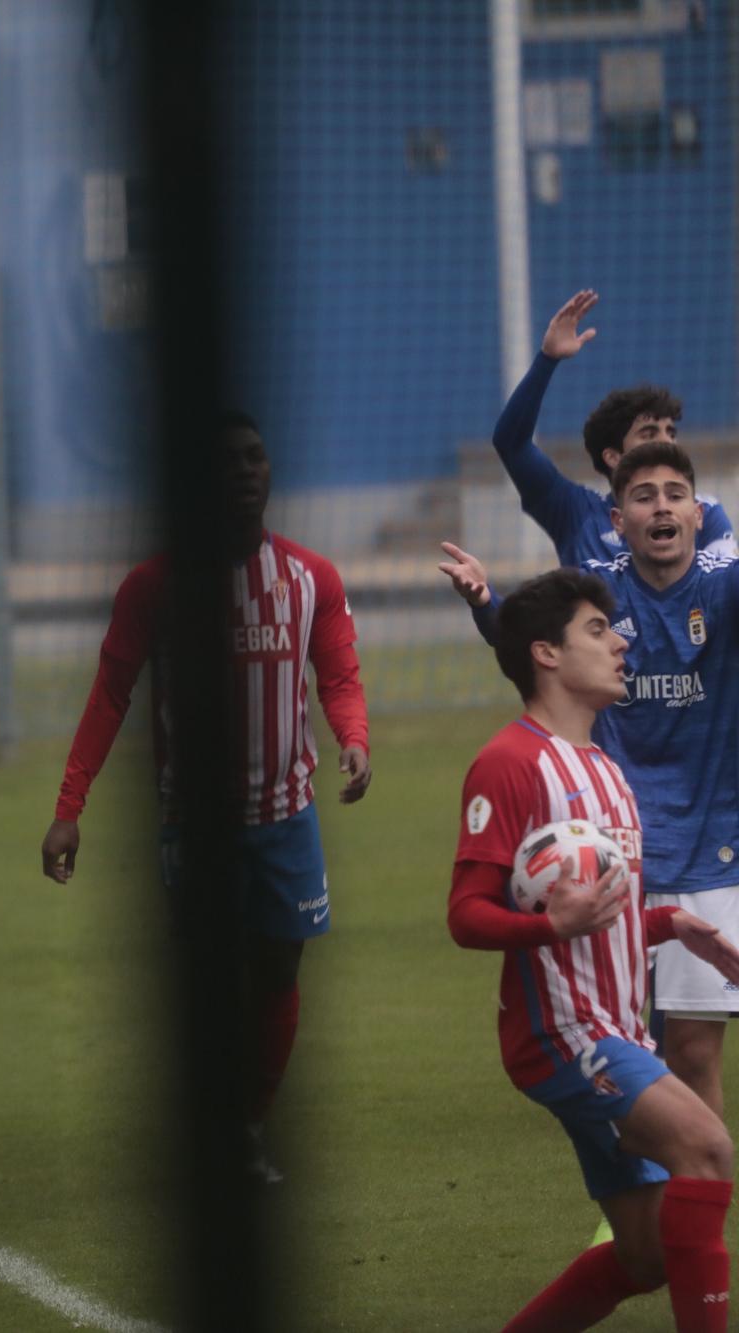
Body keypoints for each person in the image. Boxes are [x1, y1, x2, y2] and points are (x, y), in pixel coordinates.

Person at [38, 413, 371, 1180]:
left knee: (279, 978)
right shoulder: (154, 587)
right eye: (228, 461)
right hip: (195, 824)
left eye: (257, 456)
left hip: (289, 818)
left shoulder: (310, 576)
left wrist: (353, 736)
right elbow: (108, 696)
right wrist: (69, 807)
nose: (246, 470)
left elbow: (339, 674)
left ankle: (247, 1127)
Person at [450, 567, 739, 1330]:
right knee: (709, 1149)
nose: (619, 644)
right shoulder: (509, 763)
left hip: (617, 1027)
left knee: (645, 1255)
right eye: (597, 631)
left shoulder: (608, 771)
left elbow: (596, 916)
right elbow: (465, 915)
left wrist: (670, 926)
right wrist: (550, 926)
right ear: (546, 653)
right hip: (566, 1033)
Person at [442, 440, 739, 1121]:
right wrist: (487, 603)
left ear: (698, 512)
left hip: (710, 847)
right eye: (643, 494)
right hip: (614, 841)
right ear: (618, 517)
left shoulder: (723, 587)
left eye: (675, 493)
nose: (661, 505)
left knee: (688, 1055)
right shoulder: (598, 598)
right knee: (630, 1039)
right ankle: (664, 1194)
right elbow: (538, 647)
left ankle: (679, 1190)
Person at [488, 288, 733, 570]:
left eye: (671, 432)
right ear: (613, 456)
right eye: (649, 434)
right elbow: (512, 444)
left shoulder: (703, 512)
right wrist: (547, 360)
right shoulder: (575, 512)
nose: (666, 442)